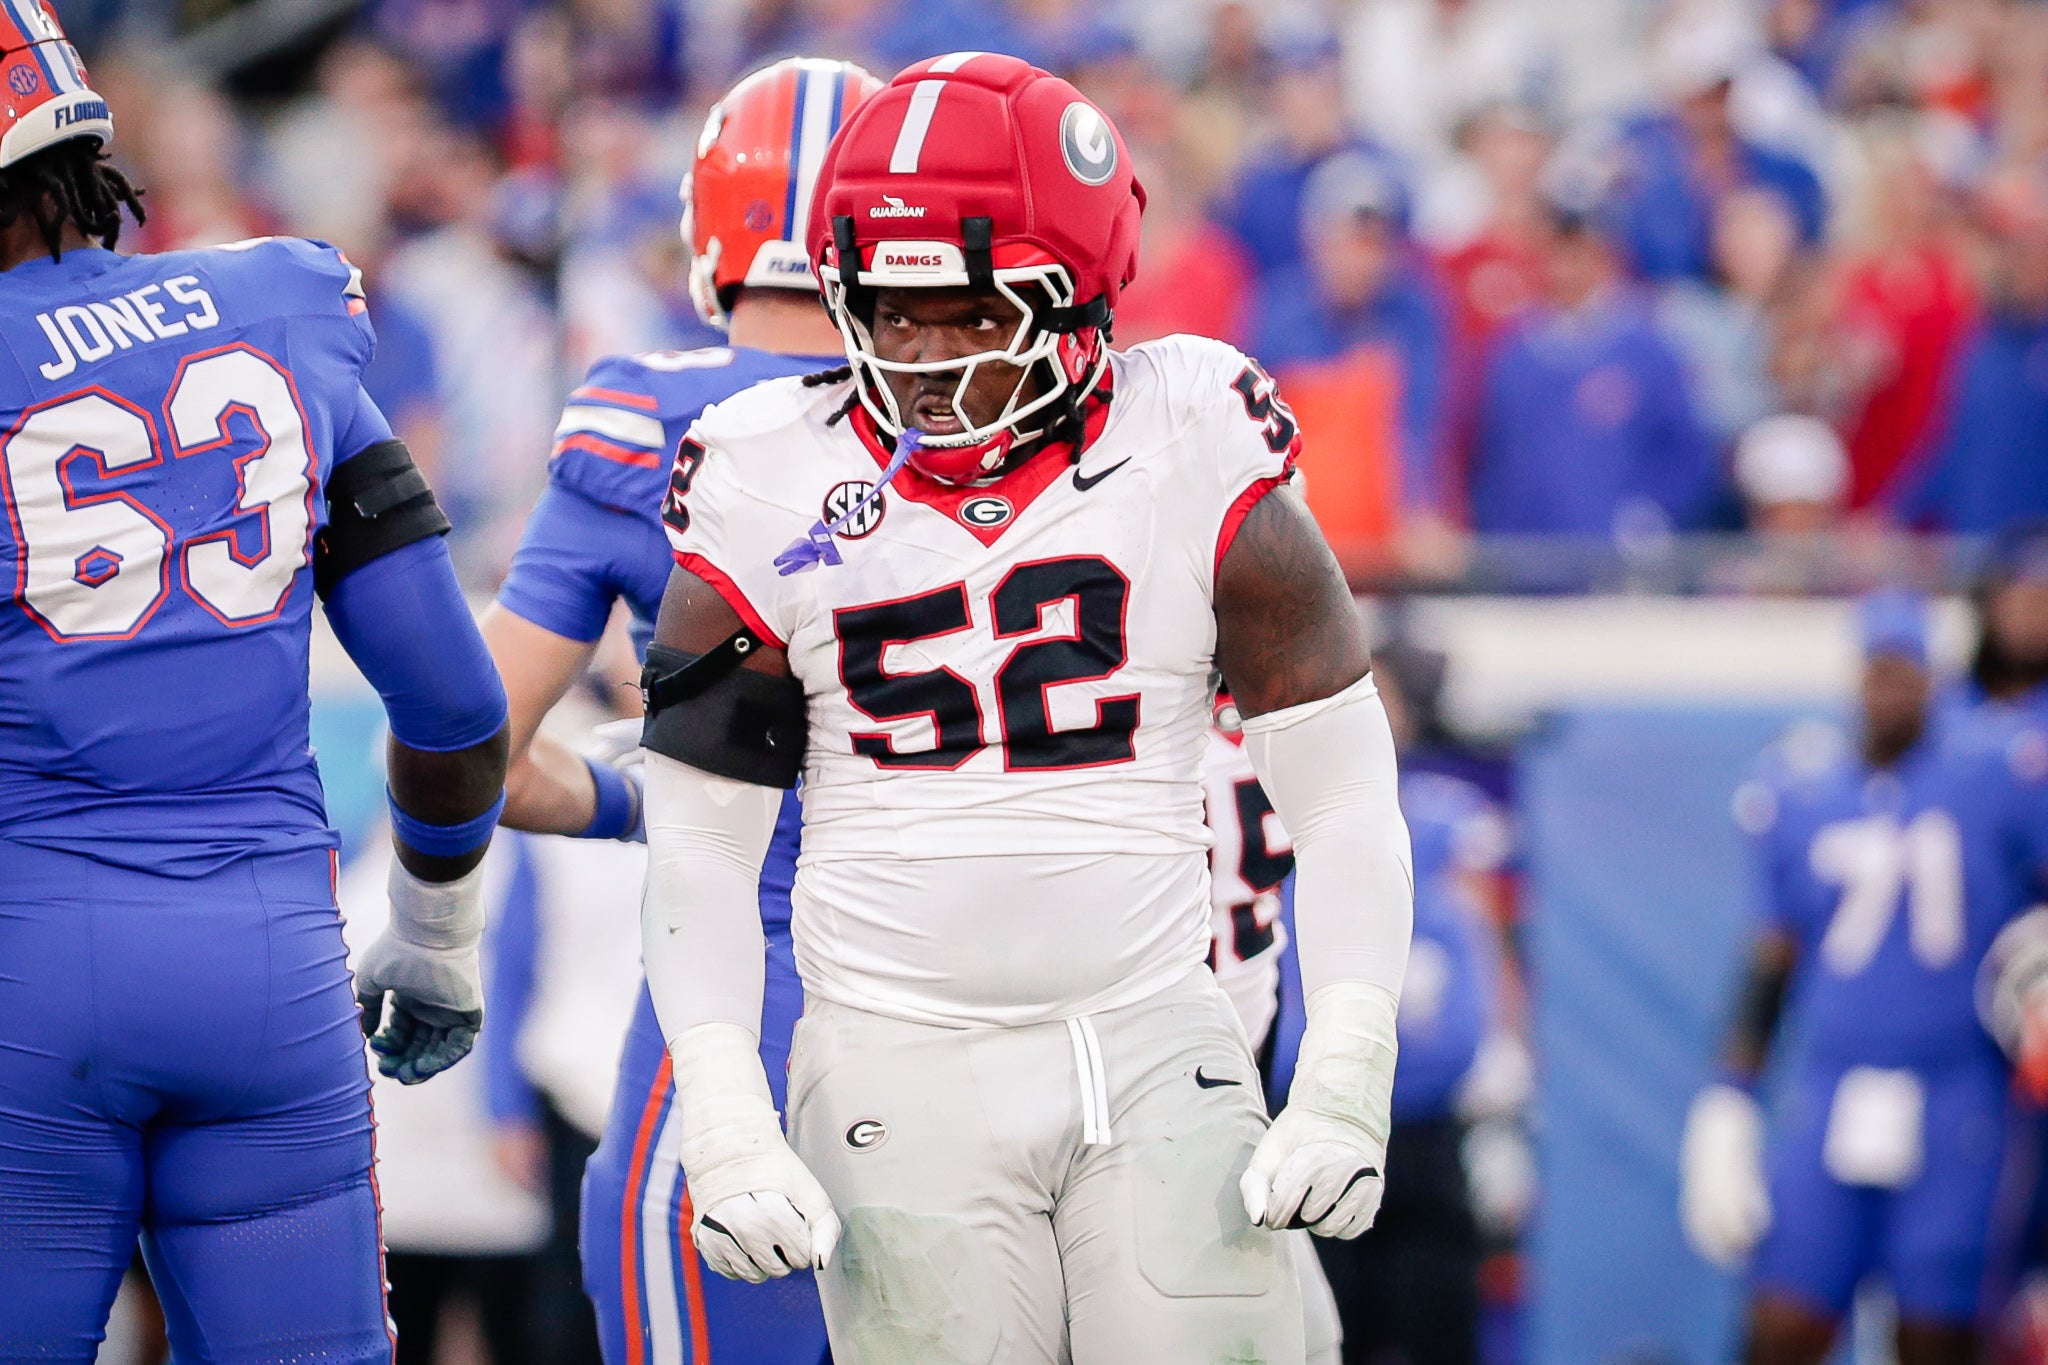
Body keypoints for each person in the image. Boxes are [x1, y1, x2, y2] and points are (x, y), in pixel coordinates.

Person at [639, 52, 1416, 1363]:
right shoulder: (766, 476)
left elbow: (1339, 794)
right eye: (885, 310)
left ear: (1081, 295)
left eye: (968, 309)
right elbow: (700, 845)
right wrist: (722, 1103)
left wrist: (1346, 1072)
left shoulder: (1190, 435)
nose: (922, 355)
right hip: (893, 1055)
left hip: (1156, 1033)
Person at [0, 3, 511, 1357]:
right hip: (273, 975)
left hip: (27, 970)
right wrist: (439, 931)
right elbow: (455, 701)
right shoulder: (280, 302)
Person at [477, 57, 881, 1365]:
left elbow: (473, 742)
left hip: (747, 1005)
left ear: (716, 237)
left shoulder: (653, 420)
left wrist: (620, 795)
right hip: (980, 1014)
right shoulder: (1008, 429)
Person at [1680, 593, 2048, 1365]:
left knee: (1937, 1329)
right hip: (1836, 1082)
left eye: (1904, 671)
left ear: (1935, 678)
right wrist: (1729, 1097)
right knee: (1782, 1320)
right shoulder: (1803, 788)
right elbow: (1773, 956)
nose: (1887, 688)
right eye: (1876, 671)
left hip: (1959, 1088)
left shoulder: (1998, 768)